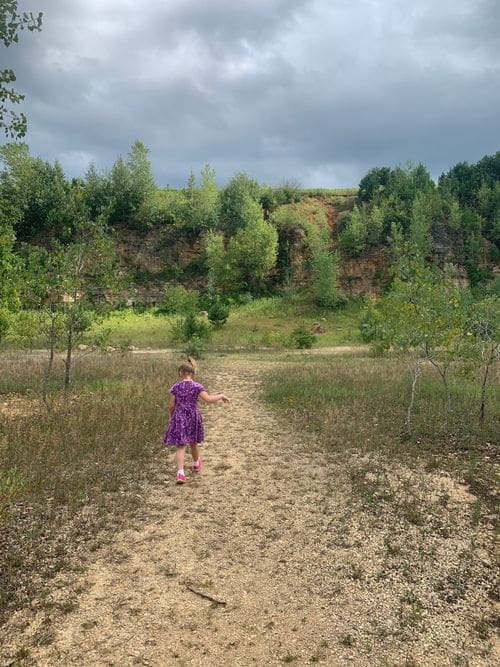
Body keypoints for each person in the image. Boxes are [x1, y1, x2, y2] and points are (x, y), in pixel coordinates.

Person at [164, 357, 230, 484]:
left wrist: (172, 417)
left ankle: (180, 473)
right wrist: (221, 395)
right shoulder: (197, 386)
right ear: (192, 373)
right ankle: (196, 463)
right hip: (193, 416)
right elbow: (209, 399)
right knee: (193, 441)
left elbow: (171, 405)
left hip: (179, 416)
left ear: (180, 373)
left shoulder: (176, 387)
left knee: (181, 445)